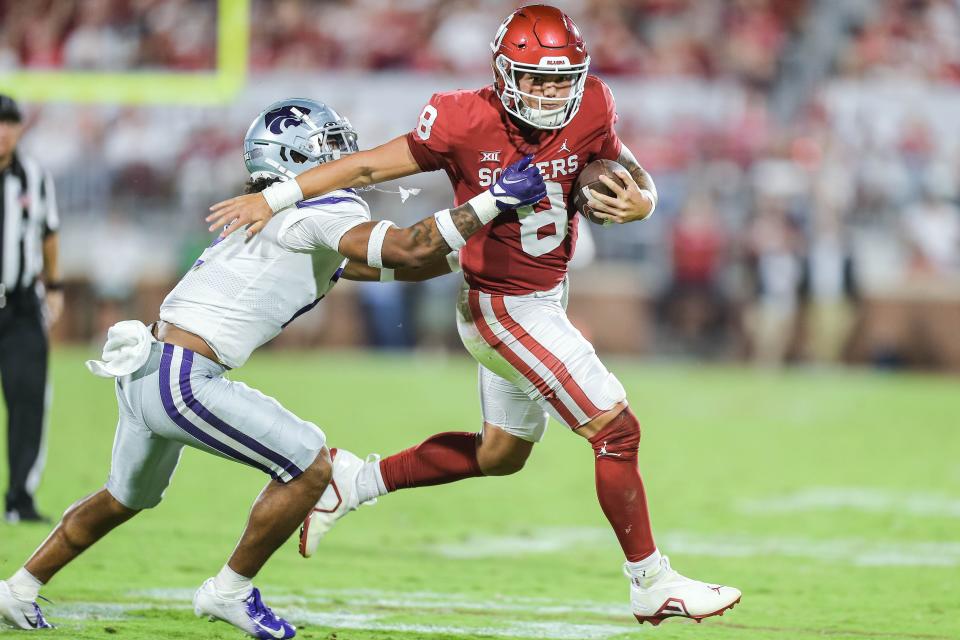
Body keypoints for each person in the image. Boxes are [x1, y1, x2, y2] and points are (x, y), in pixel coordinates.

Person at [208, 5, 741, 626]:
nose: (548, 92)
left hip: (547, 295)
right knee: (616, 431)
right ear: (504, 73)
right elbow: (368, 165)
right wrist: (274, 195)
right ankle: (651, 582)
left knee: (501, 454)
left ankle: (353, 481)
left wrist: (643, 201)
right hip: (501, 304)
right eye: (535, 79)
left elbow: (628, 166)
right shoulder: (463, 117)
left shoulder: (593, 102)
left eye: (560, 78)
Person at [0, 98, 545, 636]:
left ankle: (18, 588)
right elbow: (404, 248)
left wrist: (480, 247)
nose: (345, 155)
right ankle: (229, 591)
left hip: (148, 367)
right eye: (328, 147)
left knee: (124, 498)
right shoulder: (320, 213)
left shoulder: (285, 217)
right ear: (289, 160)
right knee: (311, 465)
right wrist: (493, 200)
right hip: (181, 377)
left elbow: (404, 266)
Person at [0, 94, 63, 524]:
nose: (3, 132)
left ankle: (20, 497)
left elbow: (49, 233)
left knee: (28, 401)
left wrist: (54, 285)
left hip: (20, 303)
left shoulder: (35, 177)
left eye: (10, 123)